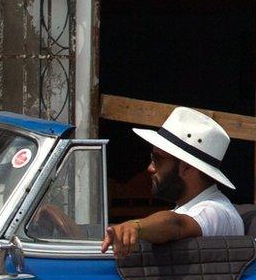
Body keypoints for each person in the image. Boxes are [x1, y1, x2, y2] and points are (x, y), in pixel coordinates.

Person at [102, 106, 244, 256]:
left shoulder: (215, 212)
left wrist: (135, 227)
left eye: (157, 159)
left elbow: (176, 224)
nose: (150, 168)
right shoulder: (190, 209)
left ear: (187, 167)